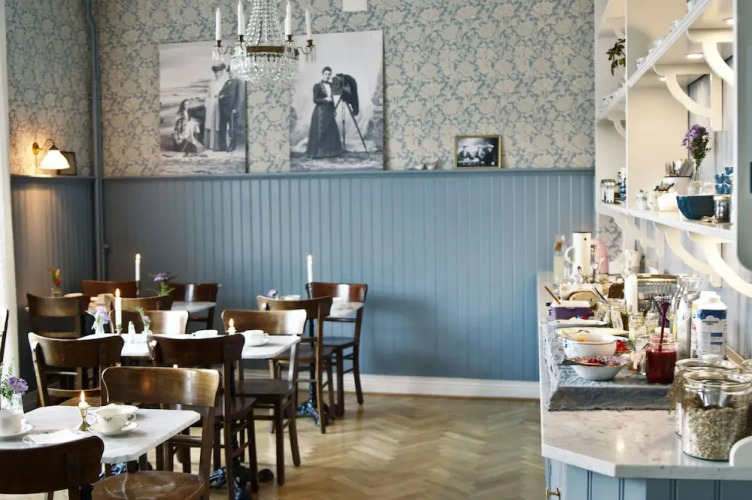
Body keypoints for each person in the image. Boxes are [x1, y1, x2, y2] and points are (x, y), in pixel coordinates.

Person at [306, 66, 343, 159]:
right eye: (325, 74)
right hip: (320, 113)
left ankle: (331, 153)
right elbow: (315, 100)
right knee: (321, 132)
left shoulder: (331, 85)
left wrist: (334, 110)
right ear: (322, 74)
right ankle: (318, 153)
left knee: (331, 131)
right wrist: (325, 99)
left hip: (329, 111)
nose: (327, 76)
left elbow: (332, 99)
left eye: (329, 74)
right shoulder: (317, 86)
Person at [219, 67, 244, 152]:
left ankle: (232, 146)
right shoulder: (227, 82)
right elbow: (223, 92)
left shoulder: (239, 82)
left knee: (233, 129)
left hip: (232, 109)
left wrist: (236, 108)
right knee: (222, 128)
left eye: (232, 72)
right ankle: (223, 147)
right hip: (224, 109)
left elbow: (240, 97)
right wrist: (221, 96)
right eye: (229, 72)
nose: (230, 74)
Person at [204, 63, 228, 151]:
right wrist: (207, 104)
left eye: (218, 72)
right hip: (212, 104)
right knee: (211, 123)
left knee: (219, 123)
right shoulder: (211, 83)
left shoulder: (225, 82)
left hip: (220, 104)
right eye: (215, 72)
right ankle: (211, 145)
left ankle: (220, 145)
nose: (217, 74)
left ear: (222, 72)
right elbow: (208, 95)